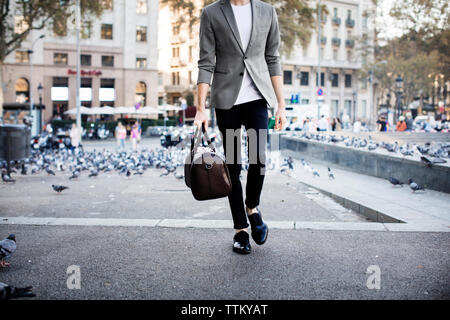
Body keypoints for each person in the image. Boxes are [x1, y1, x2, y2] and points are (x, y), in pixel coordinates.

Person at [194, 0, 286, 254]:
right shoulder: (212, 13)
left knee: (259, 158)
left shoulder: (268, 12)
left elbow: (273, 58)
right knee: (233, 166)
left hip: (257, 98)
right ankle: (240, 229)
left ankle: (252, 207)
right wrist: (200, 108)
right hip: (228, 102)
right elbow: (205, 62)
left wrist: (280, 104)